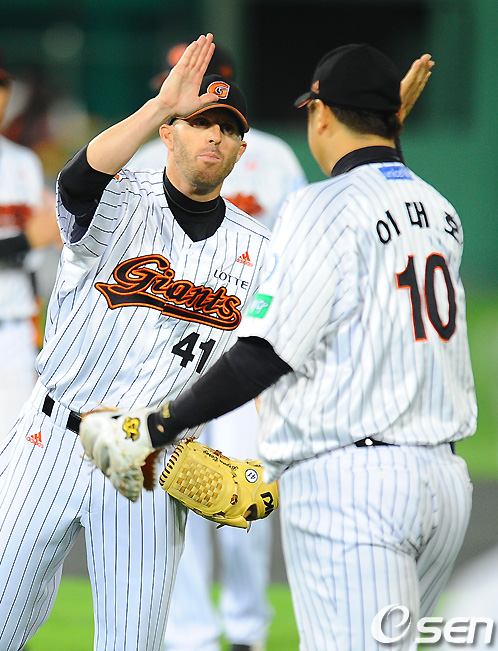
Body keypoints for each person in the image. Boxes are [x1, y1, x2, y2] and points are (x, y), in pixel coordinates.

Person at [82, 43, 476, 650]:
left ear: (320, 115)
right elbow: (378, 196)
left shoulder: (317, 206)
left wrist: (156, 429)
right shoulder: (441, 211)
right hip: (444, 485)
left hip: (355, 485)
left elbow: (264, 352)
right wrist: (385, 125)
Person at [0, 34, 273, 651]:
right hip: (51, 440)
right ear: (169, 134)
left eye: (228, 129)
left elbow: (267, 352)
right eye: (199, 121)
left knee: (134, 641)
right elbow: (77, 179)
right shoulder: (119, 198)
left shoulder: (258, 251)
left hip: (148, 459)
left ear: (240, 148)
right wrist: (158, 106)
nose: (214, 136)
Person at [131, 43, 308, 651]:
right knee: (164, 504)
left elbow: (296, 260)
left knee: (240, 499)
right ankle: (192, 638)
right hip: (164, 360)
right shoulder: (150, 160)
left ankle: (247, 631)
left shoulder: (273, 158)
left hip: (241, 358)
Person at [0, 61, 61, 443]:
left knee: (14, 448)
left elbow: (43, 246)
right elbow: (32, 240)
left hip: (14, 328)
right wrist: (25, 241)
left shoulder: (23, 162)